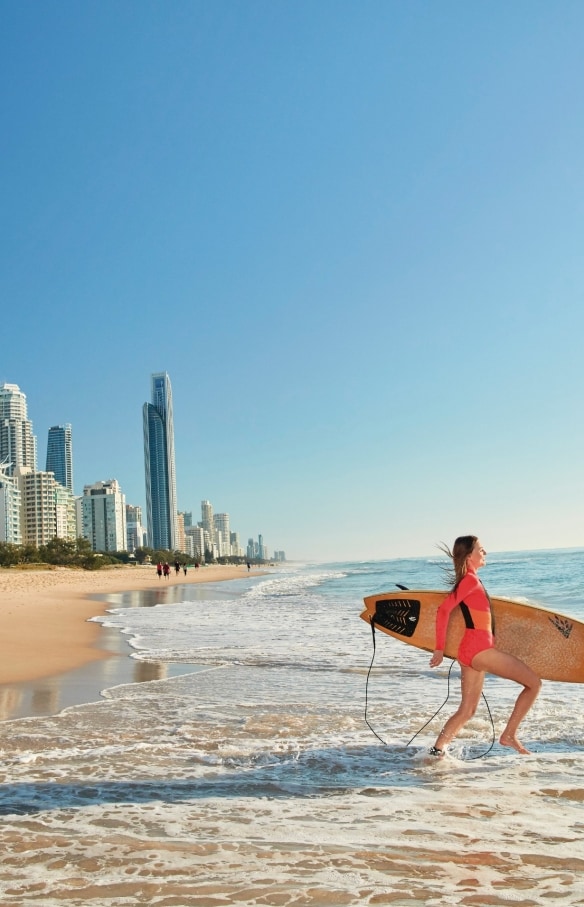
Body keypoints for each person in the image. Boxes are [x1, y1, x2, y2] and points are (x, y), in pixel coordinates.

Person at [429, 535, 541, 756]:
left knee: (467, 710)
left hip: (469, 652)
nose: (485, 552)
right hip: (479, 651)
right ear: (469, 556)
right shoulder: (470, 581)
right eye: (481, 549)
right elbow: (444, 610)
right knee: (534, 684)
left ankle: (436, 752)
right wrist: (439, 648)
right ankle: (509, 735)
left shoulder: (470, 581)